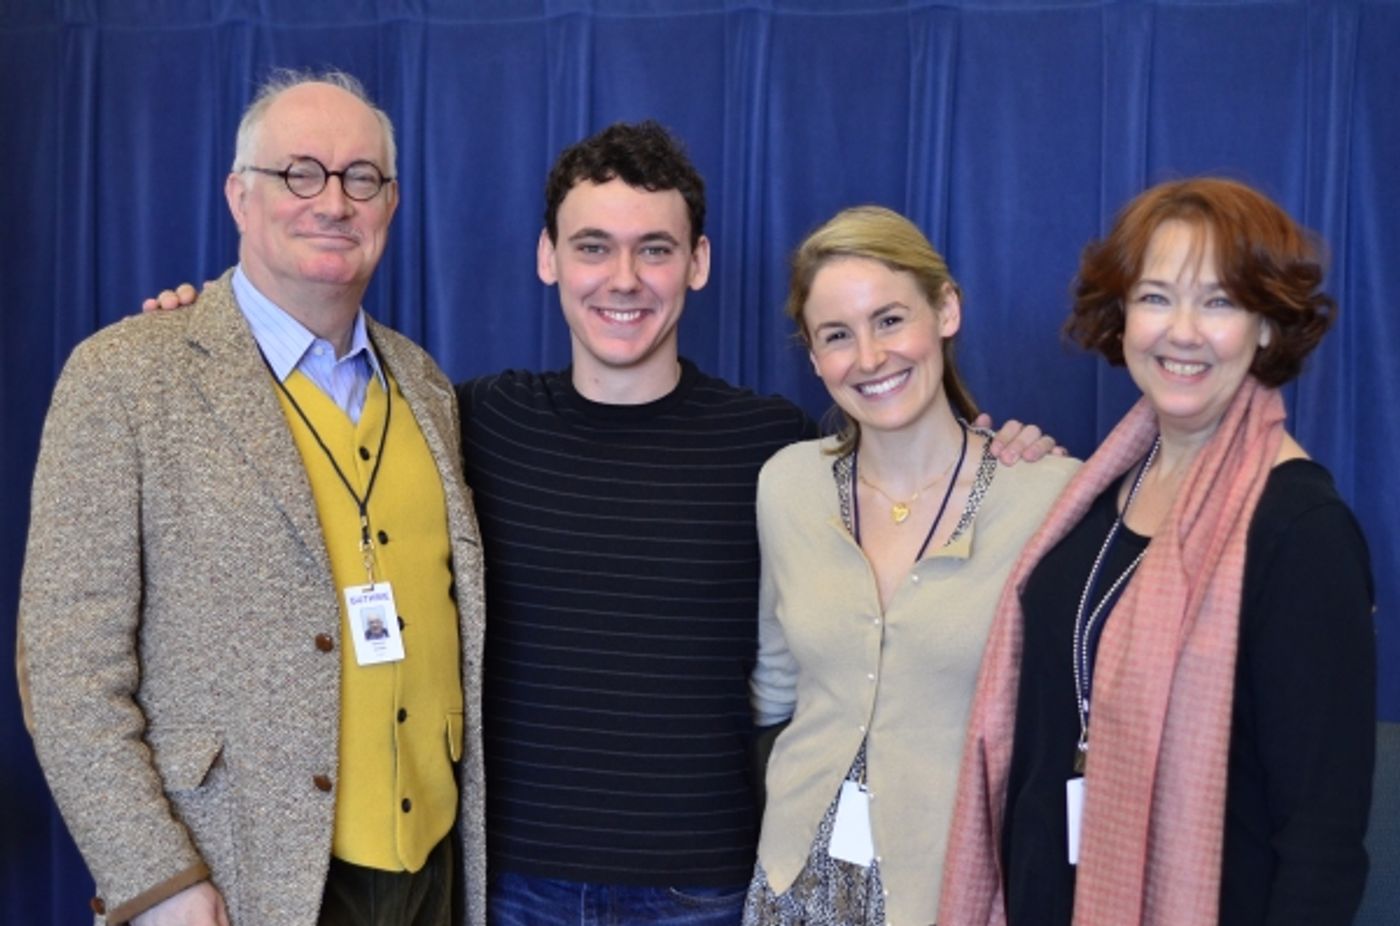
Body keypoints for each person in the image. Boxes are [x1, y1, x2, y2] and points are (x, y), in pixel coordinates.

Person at [144, 120, 1054, 925]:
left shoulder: (776, 452)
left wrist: (1005, 454)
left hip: (707, 881)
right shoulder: (468, 421)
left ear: (697, 263)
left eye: (655, 250)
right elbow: (310, 446)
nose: (624, 279)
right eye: (592, 247)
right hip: (511, 882)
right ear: (548, 257)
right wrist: (211, 338)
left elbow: (907, 466)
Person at [18, 70, 487, 926]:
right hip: (237, 881)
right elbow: (64, 665)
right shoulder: (124, 377)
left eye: (361, 178)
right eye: (298, 173)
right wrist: (154, 879)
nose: (332, 201)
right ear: (240, 196)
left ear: (391, 204)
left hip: (433, 872)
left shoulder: (426, 386)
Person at [939, 178, 1376, 926]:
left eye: (1219, 302)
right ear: (1121, 317)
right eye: (1156, 297)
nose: (1182, 331)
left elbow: (1323, 841)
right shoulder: (1094, 497)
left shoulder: (1301, 530)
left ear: (1268, 326)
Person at [743, 206, 1078, 926]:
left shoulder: (1050, 494)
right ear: (812, 355)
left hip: (960, 888)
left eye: (890, 320)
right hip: (796, 882)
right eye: (838, 335)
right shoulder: (787, 485)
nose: (868, 358)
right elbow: (775, 687)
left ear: (946, 309)